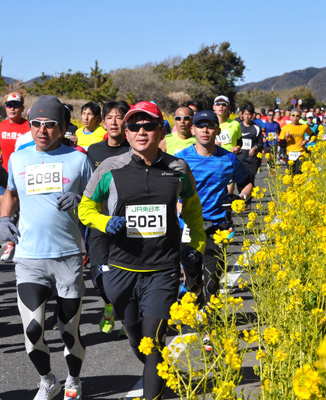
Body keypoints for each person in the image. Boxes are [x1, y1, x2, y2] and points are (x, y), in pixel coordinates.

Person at [78, 101, 206, 400]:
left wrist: (194, 248)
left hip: (162, 270)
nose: (141, 131)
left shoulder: (177, 168)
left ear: (161, 129)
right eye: (134, 125)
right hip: (121, 270)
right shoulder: (110, 168)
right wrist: (104, 222)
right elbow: (85, 207)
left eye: (148, 125)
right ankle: (161, 372)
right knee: (137, 340)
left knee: (154, 341)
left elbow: (194, 212)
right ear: (127, 131)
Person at [0, 95, 93, 400]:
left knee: (69, 331)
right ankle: (47, 379)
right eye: (36, 124)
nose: (42, 130)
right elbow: (11, 193)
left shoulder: (78, 159)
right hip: (29, 258)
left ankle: (74, 379)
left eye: (50, 124)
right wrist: (3, 218)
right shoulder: (19, 158)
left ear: (63, 126)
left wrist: (81, 200)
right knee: (31, 332)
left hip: (67, 257)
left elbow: (97, 201)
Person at [175, 110, 253, 305]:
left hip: (217, 225)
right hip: (188, 226)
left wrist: (241, 198)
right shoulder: (180, 159)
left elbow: (247, 183)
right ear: (192, 129)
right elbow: (169, 189)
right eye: (200, 126)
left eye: (210, 126)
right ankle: (195, 290)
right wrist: (177, 206)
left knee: (213, 280)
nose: (205, 130)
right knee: (192, 279)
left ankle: (213, 326)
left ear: (217, 130)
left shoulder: (229, 159)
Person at [86, 100, 131, 335]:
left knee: (124, 272)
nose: (114, 121)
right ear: (103, 123)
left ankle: (125, 315)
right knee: (98, 272)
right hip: (99, 221)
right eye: (110, 117)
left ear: (127, 121)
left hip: (126, 223)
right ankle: (108, 302)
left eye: (119, 116)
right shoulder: (93, 151)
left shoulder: (134, 149)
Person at [0, 91, 30, 262]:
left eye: (16, 105)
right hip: (4, 174)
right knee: (5, 209)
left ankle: (15, 243)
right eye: (9, 105)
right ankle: (9, 241)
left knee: (20, 211)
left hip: (24, 174)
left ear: (22, 107)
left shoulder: (28, 126)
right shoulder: (1, 126)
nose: (12, 108)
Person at [237, 105, 263, 207]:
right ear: (242, 115)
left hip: (252, 160)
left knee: (250, 181)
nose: (247, 116)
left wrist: (254, 148)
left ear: (252, 115)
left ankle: (248, 201)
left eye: (249, 114)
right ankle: (243, 197)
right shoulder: (238, 126)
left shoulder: (256, 128)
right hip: (239, 158)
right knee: (240, 181)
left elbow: (260, 143)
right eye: (245, 114)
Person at [279, 108, 313, 175]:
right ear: (290, 116)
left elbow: (312, 135)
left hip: (301, 153)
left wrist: (306, 140)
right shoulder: (285, 128)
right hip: (290, 153)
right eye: (293, 115)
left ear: (300, 117)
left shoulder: (304, 126)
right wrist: (286, 138)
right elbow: (281, 144)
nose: (295, 117)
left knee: (299, 173)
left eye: (297, 116)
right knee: (291, 174)